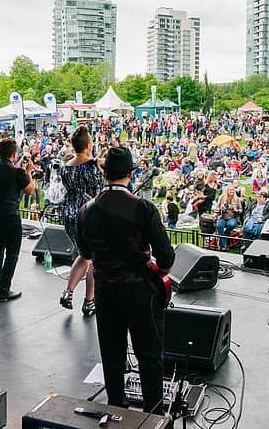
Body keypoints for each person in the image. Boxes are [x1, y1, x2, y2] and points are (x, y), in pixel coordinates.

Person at [77, 146, 175, 412]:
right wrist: (161, 271)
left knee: (111, 354)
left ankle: (117, 409)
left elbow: (86, 252)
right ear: (131, 174)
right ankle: (153, 414)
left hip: (106, 292)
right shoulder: (142, 207)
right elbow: (166, 255)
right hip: (140, 291)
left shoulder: (86, 210)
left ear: (104, 172)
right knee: (149, 355)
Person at [0, 138, 35, 302]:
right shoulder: (17, 171)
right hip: (9, 213)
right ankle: (4, 290)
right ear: (14, 154)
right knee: (12, 252)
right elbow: (30, 190)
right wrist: (29, 172)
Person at [59, 126, 102, 315]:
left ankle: (68, 292)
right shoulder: (93, 167)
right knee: (94, 260)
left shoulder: (66, 167)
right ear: (88, 145)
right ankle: (89, 301)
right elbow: (99, 193)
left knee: (84, 255)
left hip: (69, 215)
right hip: (88, 215)